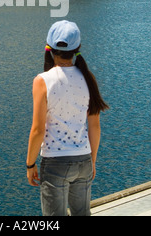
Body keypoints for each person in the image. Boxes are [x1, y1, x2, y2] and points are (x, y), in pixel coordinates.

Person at [26, 20, 109, 216]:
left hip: (55, 163)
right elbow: (95, 127)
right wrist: (92, 161)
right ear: (77, 49)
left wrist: (30, 164)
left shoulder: (42, 81)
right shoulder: (88, 78)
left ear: (49, 49)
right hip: (83, 160)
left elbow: (38, 130)